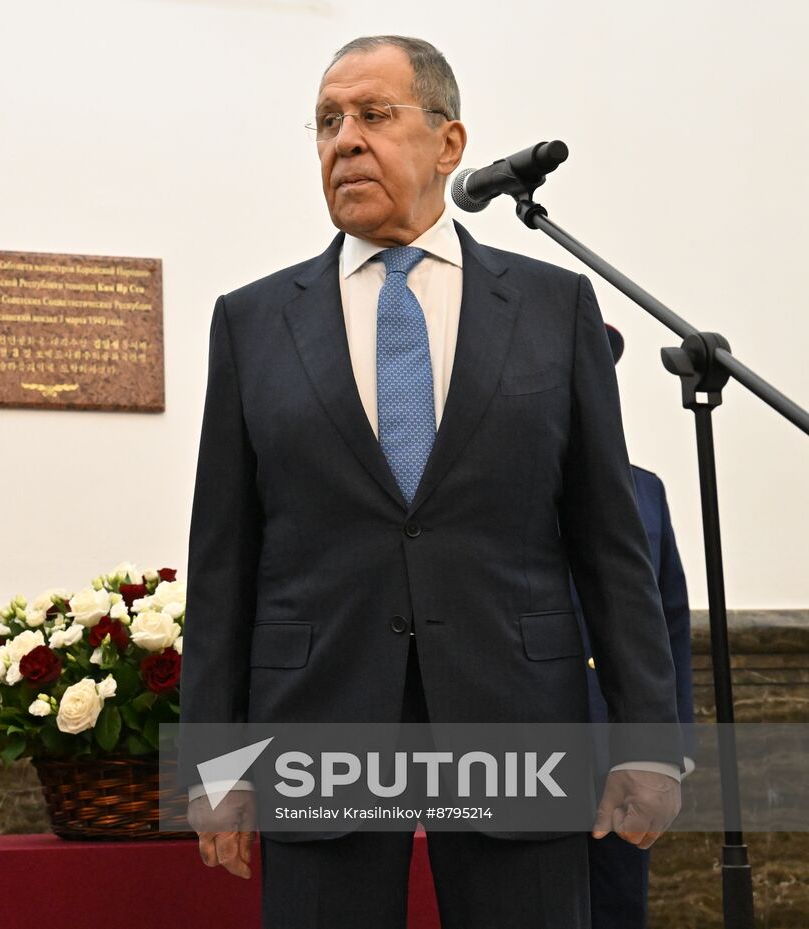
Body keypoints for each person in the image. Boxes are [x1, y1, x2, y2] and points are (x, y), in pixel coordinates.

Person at [181, 35, 682, 928]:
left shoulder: (551, 308)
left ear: (448, 144)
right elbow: (224, 562)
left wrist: (649, 743)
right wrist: (215, 761)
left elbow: (610, 547)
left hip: (517, 716)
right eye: (328, 121)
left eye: (374, 116)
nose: (344, 141)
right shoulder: (252, 322)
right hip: (320, 720)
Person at [583, 325, 697, 929]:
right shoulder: (485, 487)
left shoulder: (643, 491)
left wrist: (668, 753)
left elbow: (667, 628)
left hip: (618, 760)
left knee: (617, 912)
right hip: (514, 756)